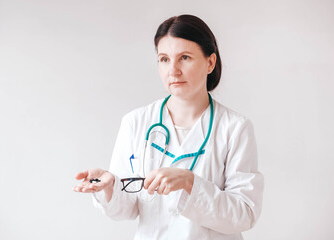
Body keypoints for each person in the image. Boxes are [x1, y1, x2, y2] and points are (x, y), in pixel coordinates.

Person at [73, 14, 264, 240]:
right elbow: (127, 208)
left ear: (210, 62)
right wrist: (108, 186)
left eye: (184, 57)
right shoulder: (136, 122)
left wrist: (190, 182)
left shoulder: (235, 128)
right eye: (164, 59)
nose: (173, 70)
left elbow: (244, 214)